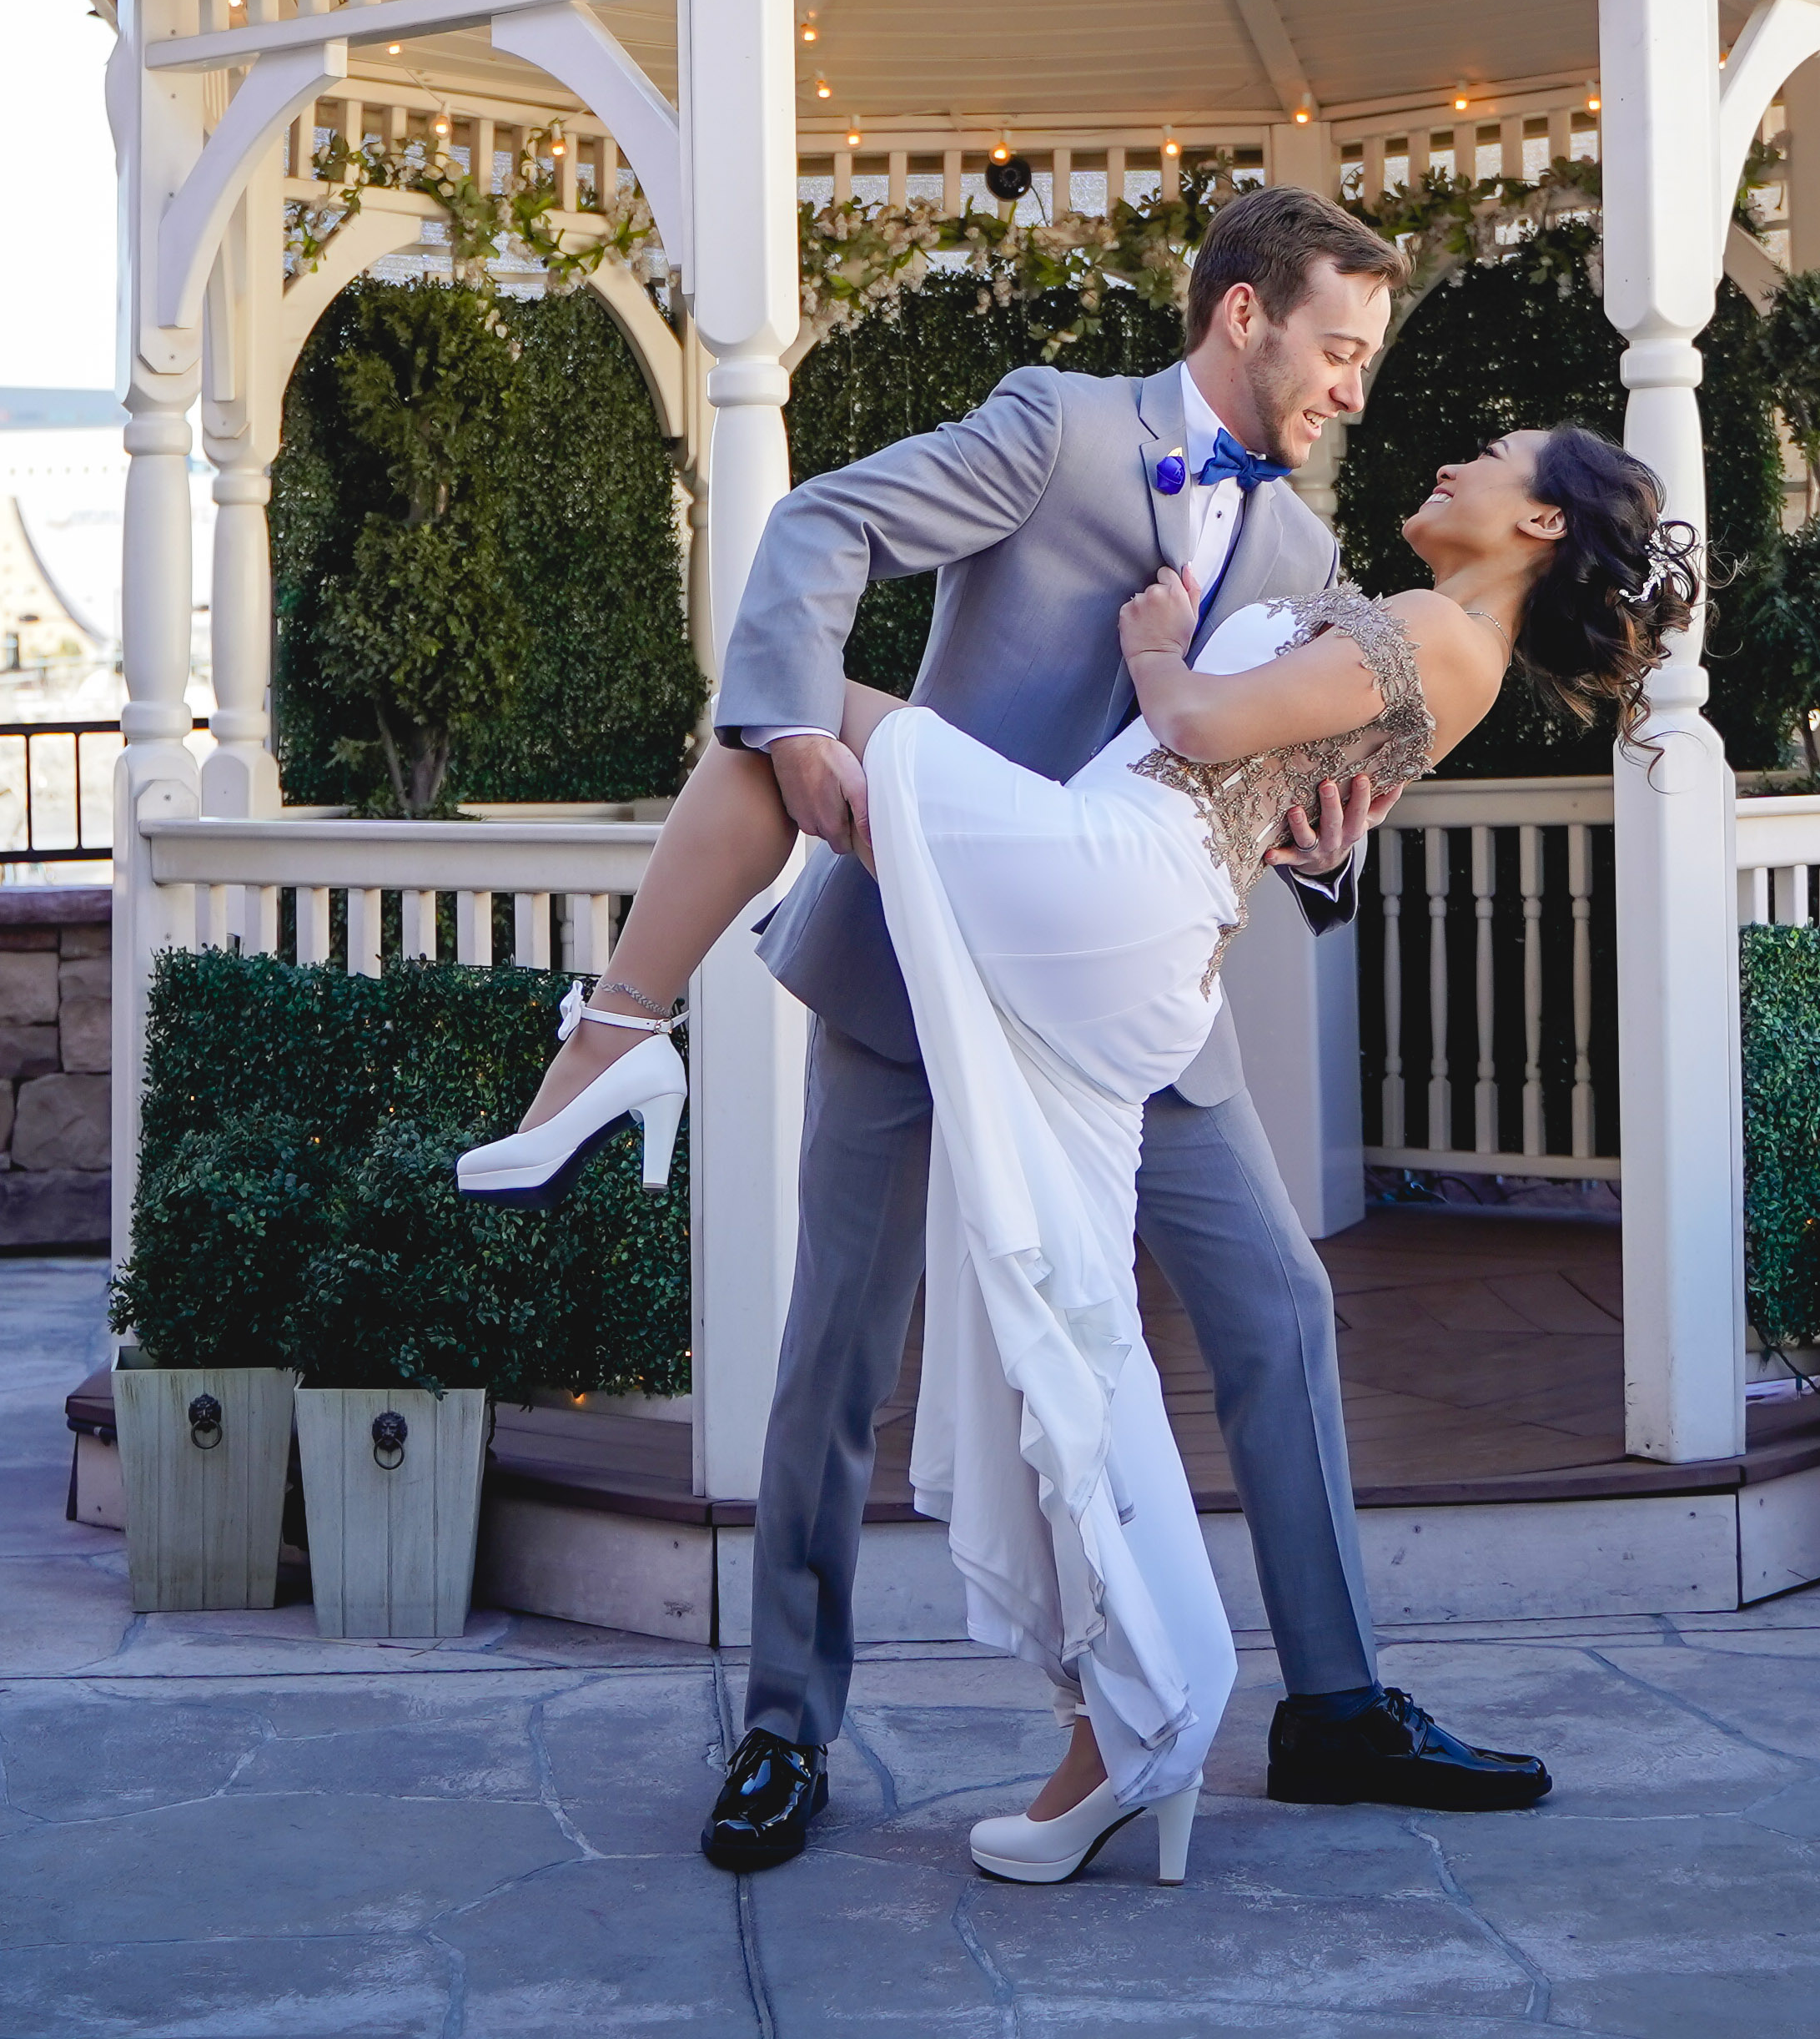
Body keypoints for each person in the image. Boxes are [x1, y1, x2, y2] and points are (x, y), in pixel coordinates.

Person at [452, 187, 1697, 1883]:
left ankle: (1331, 1700)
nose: (1352, 388)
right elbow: (820, 525)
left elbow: (1299, 772)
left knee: (1277, 1301)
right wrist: (795, 726)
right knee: (838, 1345)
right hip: (919, 947)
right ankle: (784, 1726)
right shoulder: (1057, 427)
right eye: (1336, 348)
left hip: (1125, 998)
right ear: (1244, 312)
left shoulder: (1317, 562)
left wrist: (1335, 851)